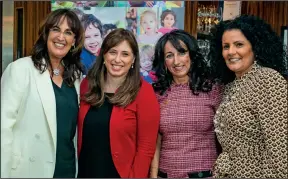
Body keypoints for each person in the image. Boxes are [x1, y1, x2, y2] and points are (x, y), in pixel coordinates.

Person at [1, 9, 84, 178]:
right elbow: (3, 128)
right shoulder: (20, 69)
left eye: (68, 32)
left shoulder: (75, 77)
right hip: (29, 170)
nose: (61, 37)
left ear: (74, 41)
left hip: (66, 169)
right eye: (56, 29)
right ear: (46, 34)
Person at [209, 15, 288, 178]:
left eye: (239, 44)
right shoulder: (231, 86)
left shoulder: (267, 79)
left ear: (255, 47)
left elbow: (281, 153)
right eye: (226, 46)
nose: (231, 52)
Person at [77, 28, 160, 178]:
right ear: (104, 54)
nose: (117, 59)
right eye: (113, 52)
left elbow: (146, 148)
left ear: (134, 59)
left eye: (125, 54)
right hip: (85, 172)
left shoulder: (144, 92)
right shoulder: (87, 85)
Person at [150, 29, 222, 178]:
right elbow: (154, 141)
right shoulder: (156, 93)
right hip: (165, 174)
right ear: (164, 62)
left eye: (182, 52)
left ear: (192, 55)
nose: (176, 61)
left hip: (204, 174)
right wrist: (153, 175)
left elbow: (225, 138)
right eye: (169, 56)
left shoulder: (212, 88)